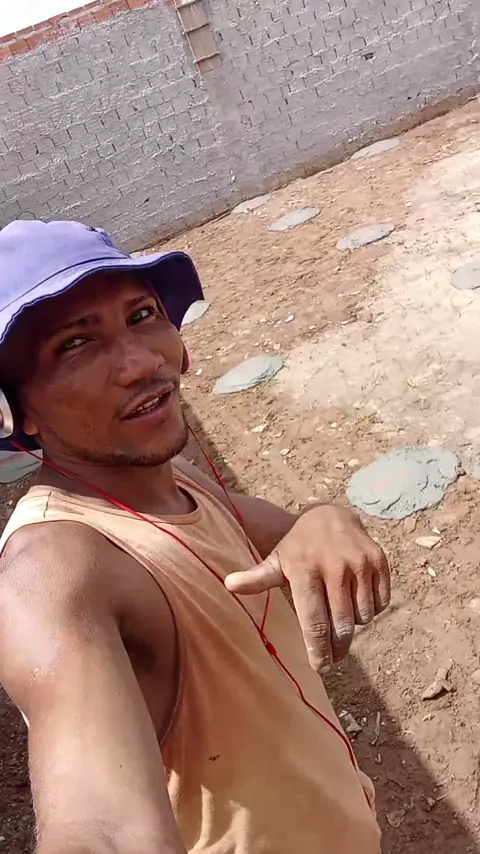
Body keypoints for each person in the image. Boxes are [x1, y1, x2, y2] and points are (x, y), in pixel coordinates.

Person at [0, 220, 390, 854]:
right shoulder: (52, 567)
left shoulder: (170, 478)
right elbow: (102, 830)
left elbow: (282, 532)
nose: (142, 362)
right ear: (18, 414)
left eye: (143, 315)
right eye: (75, 345)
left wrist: (327, 520)